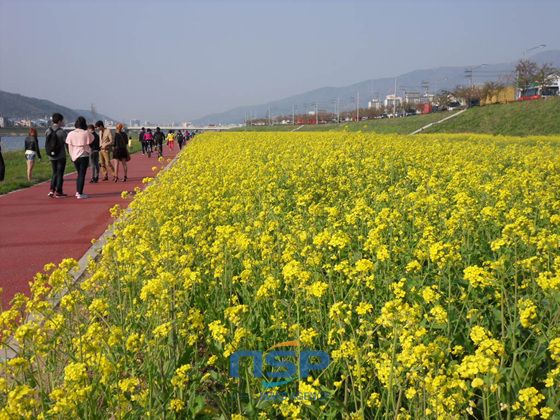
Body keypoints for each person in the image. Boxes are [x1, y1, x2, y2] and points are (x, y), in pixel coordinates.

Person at [66, 116, 94, 199]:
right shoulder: (86, 132)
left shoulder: (71, 134)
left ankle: (78, 191)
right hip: (83, 155)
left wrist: (71, 156)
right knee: (82, 174)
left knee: (79, 174)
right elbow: (90, 141)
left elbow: (69, 146)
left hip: (75, 156)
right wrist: (89, 150)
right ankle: (79, 192)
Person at [46, 112, 68, 198]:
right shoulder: (62, 132)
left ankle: (51, 189)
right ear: (59, 121)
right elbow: (66, 143)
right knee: (60, 174)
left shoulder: (48, 131)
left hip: (51, 155)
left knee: (54, 172)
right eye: (61, 121)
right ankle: (59, 191)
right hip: (61, 155)